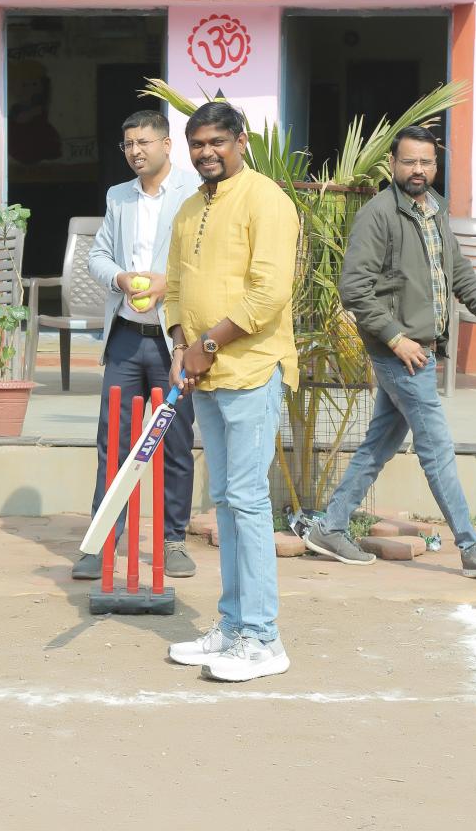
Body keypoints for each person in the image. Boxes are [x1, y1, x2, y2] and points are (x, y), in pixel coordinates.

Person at [305, 125, 476, 579]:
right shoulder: (379, 215)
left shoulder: (435, 208)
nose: (418, 169)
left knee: (379, 444)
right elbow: (354, 288)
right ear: (393, 164)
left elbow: (457, 272)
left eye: (426, 162)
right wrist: (395, 337)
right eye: (409, 162)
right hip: (401, 354)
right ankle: (471, 546)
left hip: (421, 349)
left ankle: (330, 526)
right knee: (437, 448)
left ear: (435, 165)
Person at [166, 102, 299, 682]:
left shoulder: (267, 199)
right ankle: (233, 624)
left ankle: (263, 639)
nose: (206, 153)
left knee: (247, 502)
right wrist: (181, 344)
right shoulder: (190, 206)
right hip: (206, 376)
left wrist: (207, 345)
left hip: (250, 371)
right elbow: (176, 287)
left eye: (217, 141)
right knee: (225, 500)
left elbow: (268, 293)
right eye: (197, 144)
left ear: (241, 141)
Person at [73, 110, 200, 581]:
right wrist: (121, 278)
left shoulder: (194, 191)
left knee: (175, 441)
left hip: (174, 341)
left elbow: (203, 258)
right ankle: (101, 542)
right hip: (126, 338)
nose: (135, 151)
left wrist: (171, 281)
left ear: (167, 145)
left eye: (143, 142)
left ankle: (173, 542)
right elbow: (98, 255)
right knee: (114, 444)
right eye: (128, 144)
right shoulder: (118, 196)